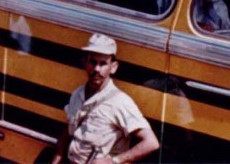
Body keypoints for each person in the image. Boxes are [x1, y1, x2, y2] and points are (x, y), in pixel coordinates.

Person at [52, 34, 159, 164]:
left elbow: (151, 143)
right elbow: (66, 136)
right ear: (85, 62)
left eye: (103, 64)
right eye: (93, 62)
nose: (97, 69)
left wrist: (115, 161)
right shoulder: (77, 94)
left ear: (113, 67)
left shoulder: (120, 102)